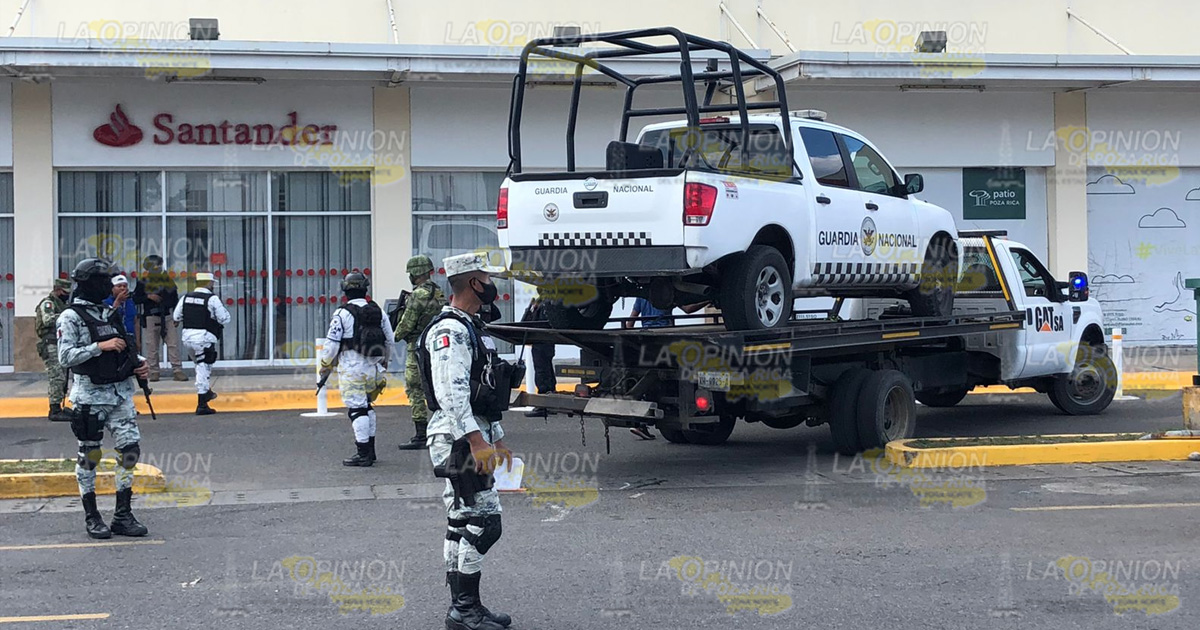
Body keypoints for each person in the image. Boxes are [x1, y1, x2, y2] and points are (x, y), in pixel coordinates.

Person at [416, 252, 522, 630]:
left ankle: (465, 607)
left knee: (461, 520)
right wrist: (477, 441)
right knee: (484, 521)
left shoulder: (470, 326)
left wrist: (498, 438)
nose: (492, 283)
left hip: (467, 433)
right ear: (474, 283)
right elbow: (451, 393)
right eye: (486, 277)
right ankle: (464, 609)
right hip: (458, 437)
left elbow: (483, 392)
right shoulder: (451, 330)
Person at [57, 258, 151, 539]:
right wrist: (99, 346)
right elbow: (65, 357)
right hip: (90, 397)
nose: (108, 286)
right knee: (90, 455)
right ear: (90, 284)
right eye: (103, 281)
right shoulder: (70, 317)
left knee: (130, 450)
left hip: (120, 394)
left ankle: (123, 514)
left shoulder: (109, 314)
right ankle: (92, 515)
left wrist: (140, 363)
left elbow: (122, 348)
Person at [319, 272, 396, 467]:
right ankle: (370, 451)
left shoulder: (342, 314)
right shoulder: (378, 311)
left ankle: (363, 454)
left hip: (352, 368)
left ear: (345, 290)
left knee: (357, 409)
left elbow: (331, 344)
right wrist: (386, 361)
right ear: (365, 288)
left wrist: (325, 365)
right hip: (375, 367)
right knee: (367, 406)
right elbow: (390, 339)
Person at [624, 299, 710, 439]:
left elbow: (631, 321)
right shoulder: (668, 294)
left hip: (645, 340)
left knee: (647, 381)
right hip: (663, 341)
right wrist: (708, 300)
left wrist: (628, 341)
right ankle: (641, 421)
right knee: (662, 378)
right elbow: (689, 308)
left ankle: (639, 422)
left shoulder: (641, 297)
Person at [393, 254, 447, 450]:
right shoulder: (438, 292)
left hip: (416, 346)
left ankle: (420, 434)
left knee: (415, 388)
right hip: (435, 344)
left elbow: (407, 323)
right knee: (437, 387)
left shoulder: (417, 295)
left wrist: (396, 334)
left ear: (415, 273)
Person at [173, 272, 230, 415]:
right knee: (203, 367)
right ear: (208, 283)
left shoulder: (186, 297)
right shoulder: (212, 299)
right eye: (212, 283)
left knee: (200, 365)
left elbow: (176, 316)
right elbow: (224, 319)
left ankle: (206, 392)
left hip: (187, 338)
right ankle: (202, 403)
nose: (213, 286)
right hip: (204, 338)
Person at [133, 255, 185, 382]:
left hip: (167, 316)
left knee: (173, 344)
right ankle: (154, 371)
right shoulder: (142, 282)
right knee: (151, 346)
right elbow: (135, 299)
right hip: (151, 317)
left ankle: (177, 370)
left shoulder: (167, 280)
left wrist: (176, 316)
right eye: (156, 265)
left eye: (159, 265)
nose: (158, 268)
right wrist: (148, 297)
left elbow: (175, 299)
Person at [36, 278, 74, 422]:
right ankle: (54, 409)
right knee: (56, 377)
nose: (66, 295)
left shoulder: (62, 304)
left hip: (60, 344)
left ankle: (60, 405)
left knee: (62, 377)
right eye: (64, 292)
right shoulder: (48, 303)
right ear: (57, 290)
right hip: (50, 344)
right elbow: (48, 320)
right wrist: (65, 316)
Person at [520, 296, 555, 418]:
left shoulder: (545, 305)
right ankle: (549, 402)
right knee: (546, 371)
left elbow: (536, 323)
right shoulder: (542, 304)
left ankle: (544, 404)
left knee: (542, 372)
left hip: (542, 342)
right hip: (543, 342)